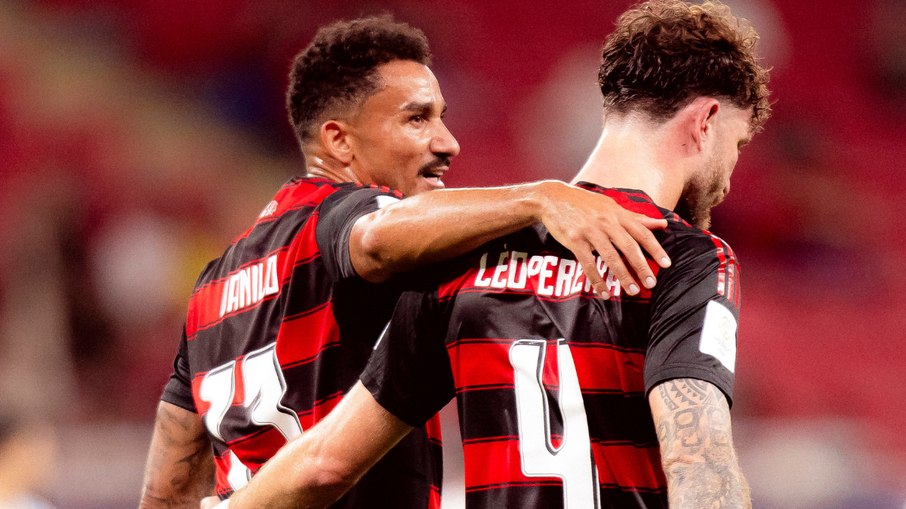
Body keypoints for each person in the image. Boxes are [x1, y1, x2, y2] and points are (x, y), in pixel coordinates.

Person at [205, 1, 771, 508]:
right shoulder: (682, 257)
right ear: (705, 122)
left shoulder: (458, 259)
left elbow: (325, 462)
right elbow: (698, 460)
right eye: (738, 144)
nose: (727, 179)